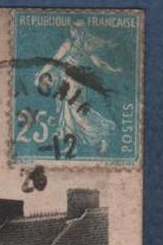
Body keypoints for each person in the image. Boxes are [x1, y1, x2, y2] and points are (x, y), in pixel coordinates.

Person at [35, 20, 121, 154]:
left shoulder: (78, 46)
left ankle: (101, 137)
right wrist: (40, 74)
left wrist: (112, 70)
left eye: (77, 29)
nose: (76, 32)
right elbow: (55, 59)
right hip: (69, 83)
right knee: (67, 114)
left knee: (78, 114)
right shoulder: (77, 46)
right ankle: (72, 145)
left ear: (79, 30)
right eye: (75, 29)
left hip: (75, 85)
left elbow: (98, 62)